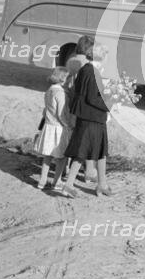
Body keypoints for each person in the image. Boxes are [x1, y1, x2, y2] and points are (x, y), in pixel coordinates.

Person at [62, 37, 111, 198]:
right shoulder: (92, 72)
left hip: (90, 117)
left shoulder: (86, 69)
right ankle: (70, 185)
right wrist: (110, 104)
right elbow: (92, 98)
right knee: (86, 152)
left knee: (97, 152)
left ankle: (101, 184)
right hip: (92, 118)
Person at [34, 67, 73, 190]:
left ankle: (42, 180)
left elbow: (47, 110)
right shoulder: (60, 93)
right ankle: (56, 181)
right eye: (67, 77)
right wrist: (68, 125)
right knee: (61, 157)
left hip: (48, 126)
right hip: (58, 128)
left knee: (48, 155)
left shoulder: (49, 90)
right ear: (63, 79)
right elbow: (61, 113)